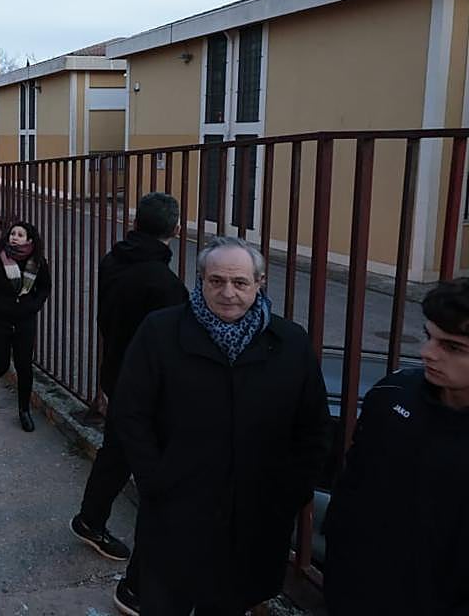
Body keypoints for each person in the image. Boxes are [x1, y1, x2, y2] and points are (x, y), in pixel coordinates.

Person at [111, 237, 330, 616]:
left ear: (259, 282)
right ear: (201, 280)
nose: (228, 292)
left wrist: (289, 493)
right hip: (177, 510)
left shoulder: (290, 342)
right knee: (165, 600)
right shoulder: (160, 332)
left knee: (231, 603)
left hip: (255, 516)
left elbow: (312, 427)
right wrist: (155, 478)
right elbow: (131, 412)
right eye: (216, 281)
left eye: (240, 282)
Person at [322, 279, 469, 615]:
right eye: (430, 336)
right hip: (359, 594)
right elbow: (352, 487)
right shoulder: (393, 394)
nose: (427, 352)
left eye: (453, 347)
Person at [72, 193, 189, 609]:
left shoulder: (115, 258)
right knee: (156, 473)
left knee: (118, 452)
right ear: (175, 230)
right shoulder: (165, 284)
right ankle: (141, 580)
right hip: (149, 388)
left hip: (117, 371)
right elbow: (173, 346)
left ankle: (90, 519)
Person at [0, 220, 51, 432]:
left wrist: (33, 306)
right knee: (1, 363)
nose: (14, 237)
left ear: (29, 239)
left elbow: (45, 288)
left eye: (20, 234)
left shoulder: (37, 262)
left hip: (24, 320)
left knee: (24, 366)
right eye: (12, 234)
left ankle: (24, 411)